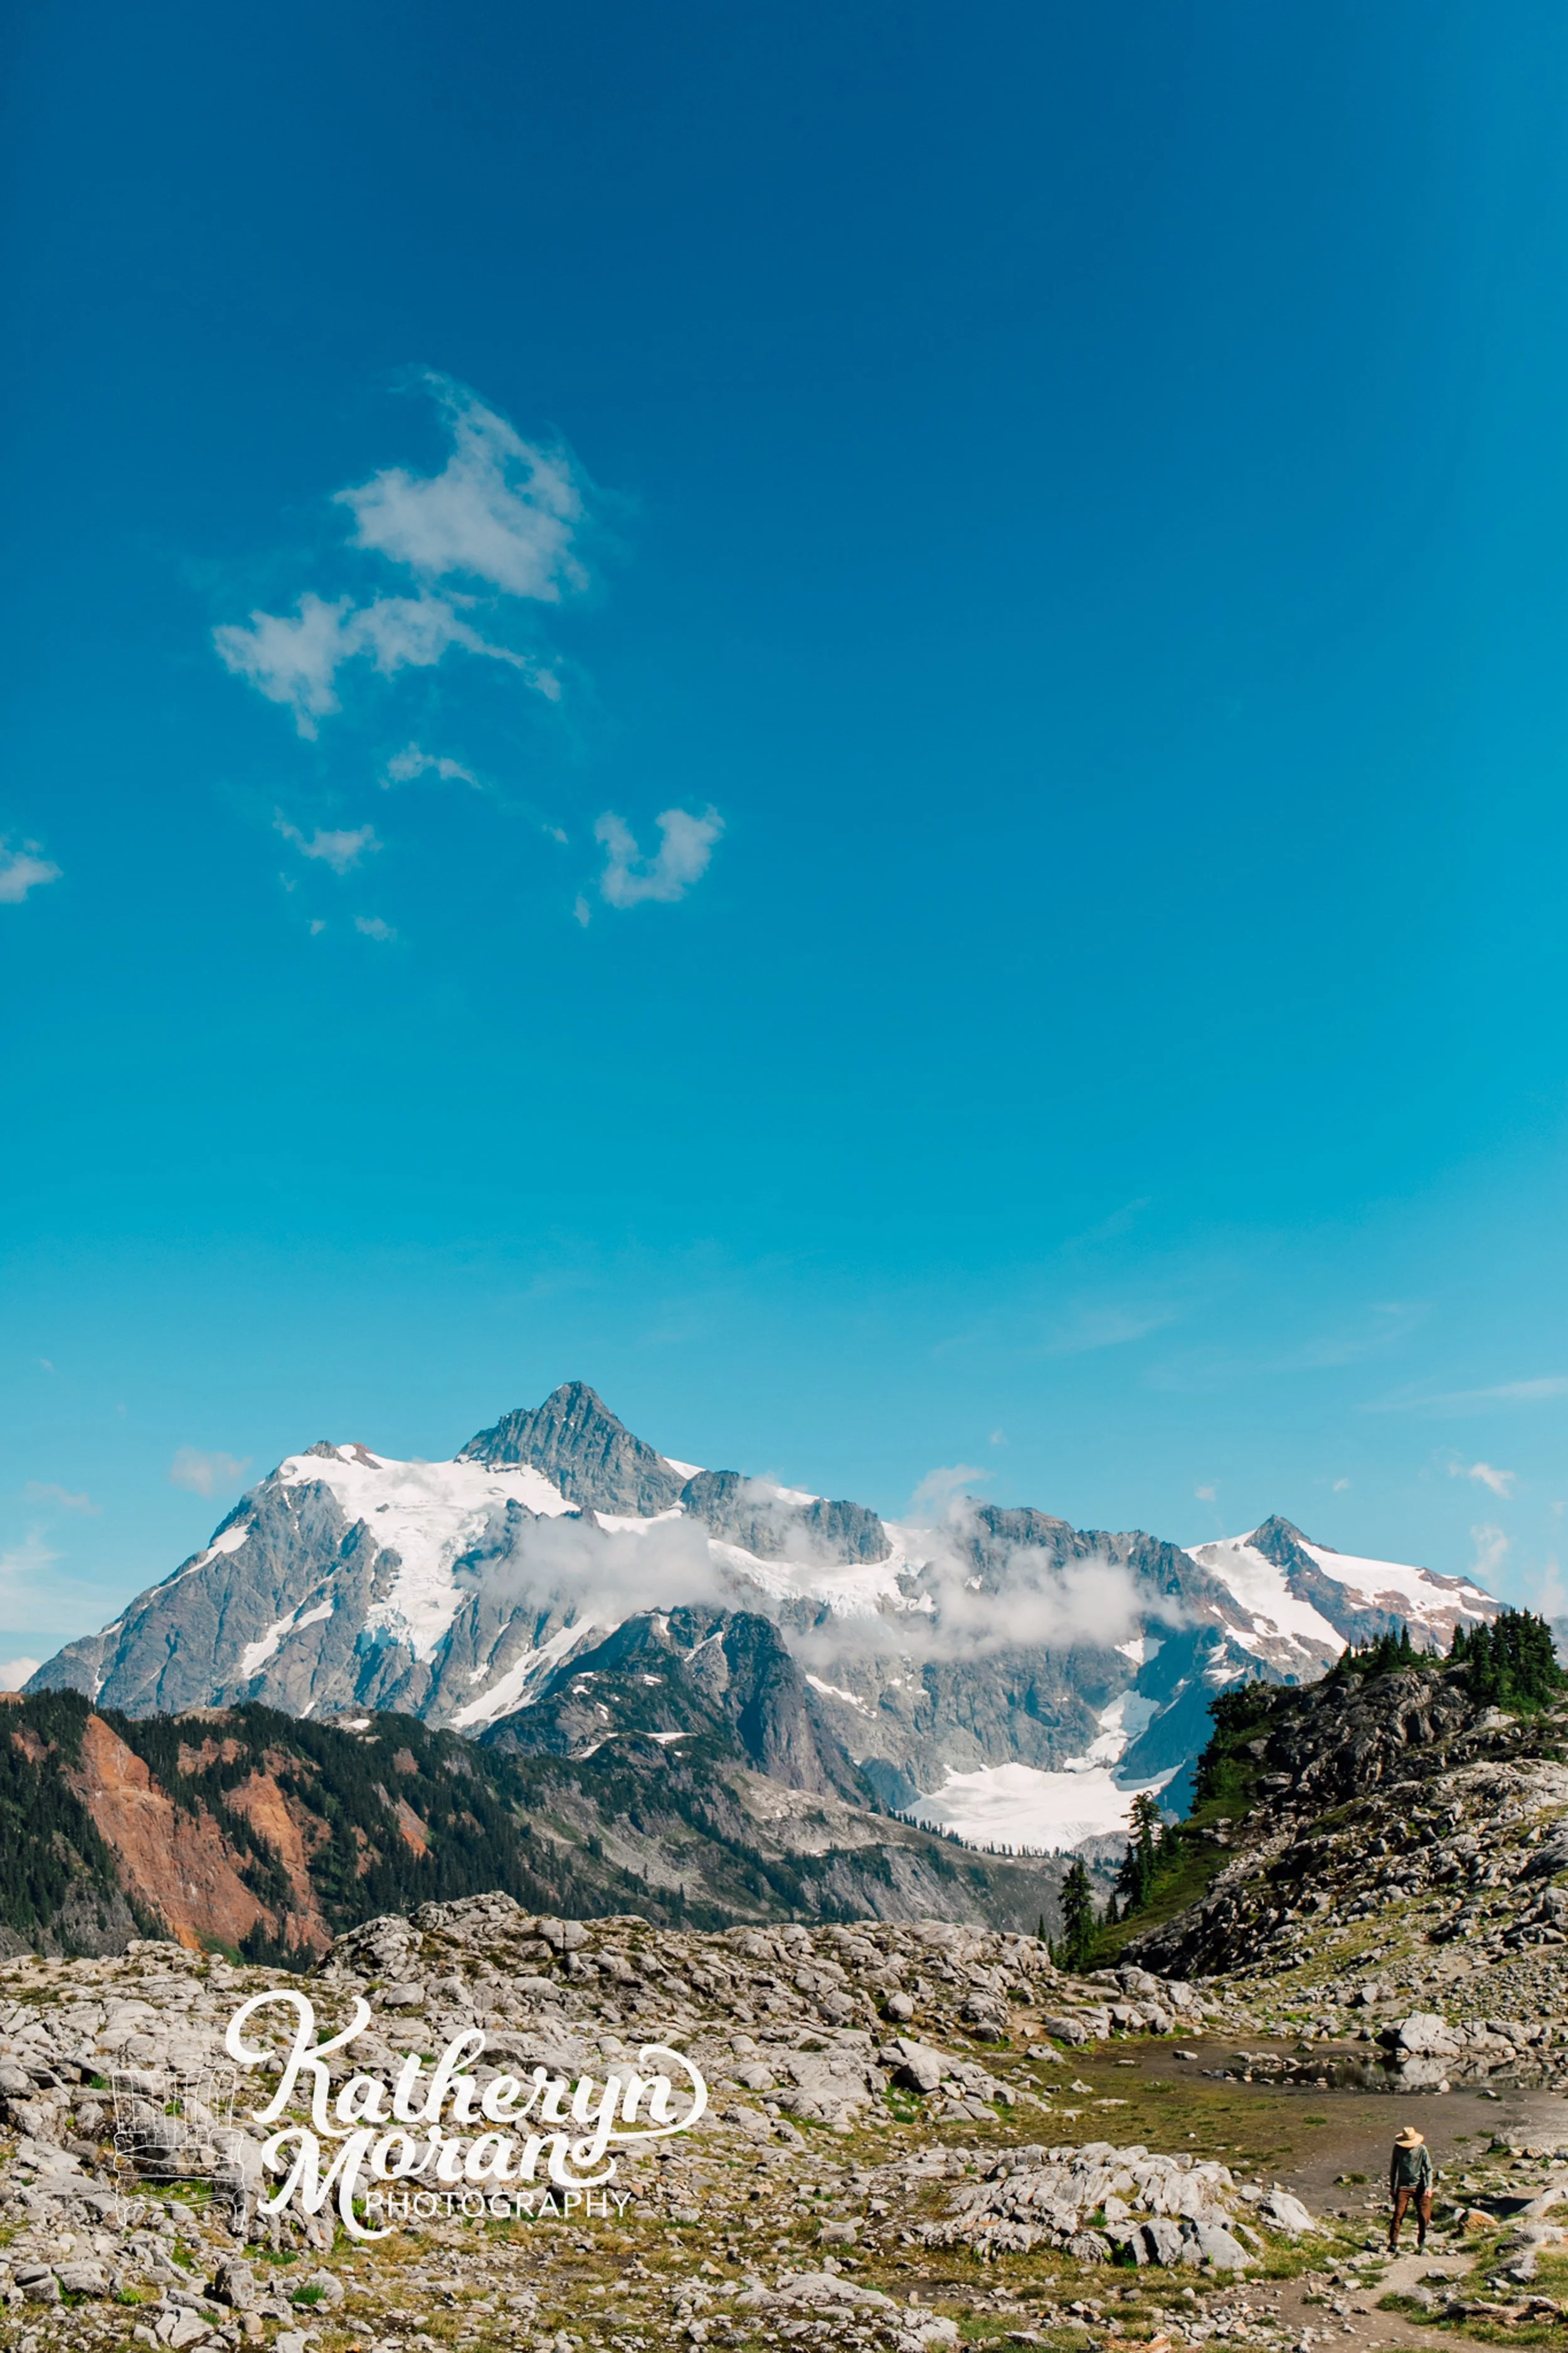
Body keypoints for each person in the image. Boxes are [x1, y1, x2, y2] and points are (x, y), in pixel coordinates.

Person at [1389, 2126, 1434, 2252]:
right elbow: (1394, 2168)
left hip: (1420, 2186)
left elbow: (1429, 2169)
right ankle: (1393, 2242)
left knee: (1424, 2215)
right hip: (1403, 2187)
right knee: (1398, 2214)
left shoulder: (1422, 2149)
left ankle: (1422, 2240)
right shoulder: (1397, 2149)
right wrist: (1392, 2186)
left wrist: (1429, 2187)